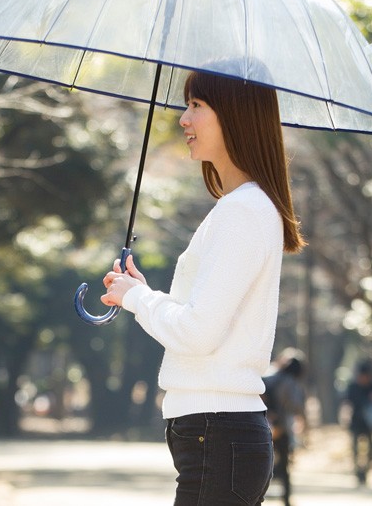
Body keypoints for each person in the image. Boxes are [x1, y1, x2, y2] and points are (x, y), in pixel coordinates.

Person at [101, 69, 305, 505]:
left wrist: (136, 298)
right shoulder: (239, 207)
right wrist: (142, 294)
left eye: (197, 106)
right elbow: (202, 319)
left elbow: (197, 333)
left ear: (235, 116)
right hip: (215, 433)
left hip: (218, 432)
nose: (183, 119)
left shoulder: (244, 210)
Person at [262, 349, 307, 506]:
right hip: (283, 427)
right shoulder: (291, 383)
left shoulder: (268, 377)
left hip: (263, 425)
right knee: (284, 464)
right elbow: (296, 406)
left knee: (262, 462)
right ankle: (286, 498)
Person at [344, 360, 372, 485]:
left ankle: (365, 471)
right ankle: (357, 471)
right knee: (355, 450)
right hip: (355, 422)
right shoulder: (353, 387)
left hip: (369, 425)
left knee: (371, 451)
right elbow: (348, 400)